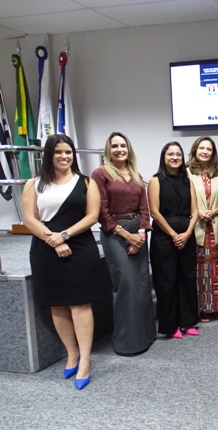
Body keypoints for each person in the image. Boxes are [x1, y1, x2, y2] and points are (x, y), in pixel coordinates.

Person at [22, 135, 100, 390]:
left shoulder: (86, 182)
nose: (64, 156)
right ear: (49, 155)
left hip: (80, 245)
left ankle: (85, 360)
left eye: (68, 152)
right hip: (45, 248)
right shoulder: (34, 184)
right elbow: (30, 219)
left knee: (80, 303)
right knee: (57, 303)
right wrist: (53, 240)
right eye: (58, 152)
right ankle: (72, 353)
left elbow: (92, 216)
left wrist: (64, 235)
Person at [92, 132, 156, 356]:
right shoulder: (100, 174)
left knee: (142, 284)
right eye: (115, 146)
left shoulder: (136, 174)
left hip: (138, 231)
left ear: (129, 149)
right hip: (114, 234)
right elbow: (101, 211)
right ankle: (127, 342)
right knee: (126, 284)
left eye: (123, 146)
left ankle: (146, 336)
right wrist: (127, 236)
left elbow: (144, 208)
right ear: (108, 150)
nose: (119, 149)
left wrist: (141, 235)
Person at [148, 142, 199, 339]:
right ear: (164, 157)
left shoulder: (188, 181)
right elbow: (154, 212)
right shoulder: (155, 181)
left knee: (187, 278)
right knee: (167, 281)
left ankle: (188, 322)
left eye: (178, 154)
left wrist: (187, 233)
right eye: (171, 154)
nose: (175, 157)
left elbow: (195, 212)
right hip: (164, 237)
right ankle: (170, 326)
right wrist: (173, 234)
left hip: (187, 235)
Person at [186, 136, 218, 323]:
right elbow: (185, 198)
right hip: (198, 227)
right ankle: (202, 308)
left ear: (213, 153)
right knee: (201, 269)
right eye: (201, 148)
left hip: (216, 227)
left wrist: (214, 211)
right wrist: (198, 213)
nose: (205, 152)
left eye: (208, 149)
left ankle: (217, 307)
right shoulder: (187, 172)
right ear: (195, 150)